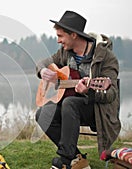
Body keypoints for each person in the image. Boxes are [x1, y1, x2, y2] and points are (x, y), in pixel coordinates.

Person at [35, 11, 121, 169]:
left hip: (97, 110)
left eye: (61, 36)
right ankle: (77, 159)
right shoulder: (65, 53)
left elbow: (111, 94)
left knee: (70, 102)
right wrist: (42, 71)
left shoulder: (106, 57)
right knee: (43, 113)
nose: (58, 40)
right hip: (72, 108)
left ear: (73, 35)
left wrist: (89, 91)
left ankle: (66, 160)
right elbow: (43, 62)